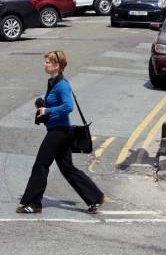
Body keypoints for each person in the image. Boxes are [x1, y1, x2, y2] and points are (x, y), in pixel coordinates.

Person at [16, 51, 104, 215]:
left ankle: (33, 203)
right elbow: (56, 105)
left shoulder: (62, 85)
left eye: (48, 62)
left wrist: (48, 109)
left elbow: (68, 107)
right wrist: (42, 107)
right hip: (60, 131)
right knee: (67, 168)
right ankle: (95, 197)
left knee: (41, 164)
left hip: (60, 132)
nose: (45, 64)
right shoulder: (52, 81)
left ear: (57, 65)